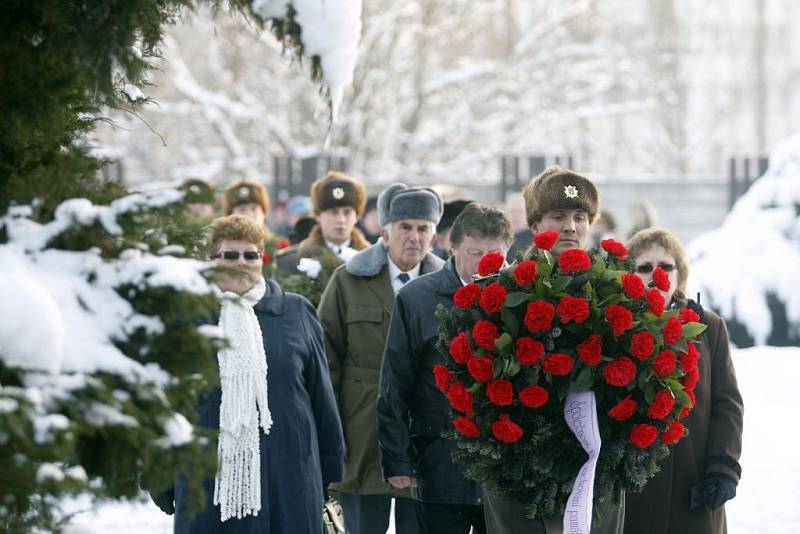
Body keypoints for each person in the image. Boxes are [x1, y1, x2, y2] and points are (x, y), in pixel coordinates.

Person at [152, 214, 345, 533]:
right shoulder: (188, 317)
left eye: (250, 255)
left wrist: (330, 466)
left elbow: (321, 395)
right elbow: (166, 401)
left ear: (262, 260)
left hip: (289, 470)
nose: (241, 263)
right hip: (208, 473)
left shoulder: (296, 311)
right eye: (229, 255)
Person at [484, 165, 624, 534]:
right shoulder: (504, 290)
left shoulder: (616, 292)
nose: (570, 227)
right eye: (557, 216)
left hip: (597, 468)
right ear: (534, 224)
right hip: (522, 468)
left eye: (580, 217)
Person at [378, 203, 513, 534]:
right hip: (438, 455)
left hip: (505, 463)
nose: (484, 262)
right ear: (451, 247)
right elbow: (395, 384)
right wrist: (397, 459)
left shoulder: (521, 297)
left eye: (495, 253)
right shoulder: (417, 298)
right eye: (474, 252)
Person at [318, 183, 445, 534]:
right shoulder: (348, 282)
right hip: (359, 428)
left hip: (421, 431)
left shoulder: (445, 287)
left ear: (434, 237)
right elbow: (325, 361)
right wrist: (329, 432)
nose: (414, 237)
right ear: (384, 233)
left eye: (423, 229)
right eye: (405, 227)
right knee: (360, 526)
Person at [623, 227, 744, 534]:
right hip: (633, 489)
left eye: (666, 266)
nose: (656, 275)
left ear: (680, 273)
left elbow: (727, 404)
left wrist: (723, 469)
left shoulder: (708, 327)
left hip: (693, 486)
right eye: (645, 267)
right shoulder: (615, 325)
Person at [276, 171, 370, 279]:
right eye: (333, 212)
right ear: (318, 215)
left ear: (357, 216)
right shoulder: (290, 261)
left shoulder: (372, 260)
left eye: (347, 212)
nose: (341, 219)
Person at [222, 179, 286, 277]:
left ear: (264, 213)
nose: (248, 215)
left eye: (254, 209)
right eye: (241, 209)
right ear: (230, 214)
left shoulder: (281, 247)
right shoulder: (219, 250)